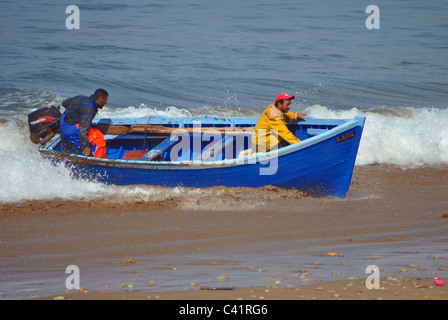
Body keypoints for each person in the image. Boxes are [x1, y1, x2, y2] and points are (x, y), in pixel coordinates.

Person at [60, 89, 108, 158]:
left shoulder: (81, 97)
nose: (105, 103)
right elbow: (82, 129)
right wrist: (85, 146)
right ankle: (97, 161)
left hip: (63, 125)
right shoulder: (89, 109)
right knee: (98, 137)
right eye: (105, 101)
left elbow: (64, 103)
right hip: (70, 130)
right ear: (101, 99)